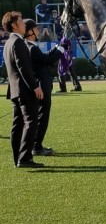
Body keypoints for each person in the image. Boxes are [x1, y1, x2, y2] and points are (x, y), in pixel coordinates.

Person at [2, 11, 44, 168]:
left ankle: (18, 158)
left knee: (18, 125)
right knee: (31, 122)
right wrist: (35, 86)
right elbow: (23, 68)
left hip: (14, 91)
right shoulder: (19, 42)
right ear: (14, 25)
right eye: (21, 21)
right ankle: (25, 158)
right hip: (24, 90)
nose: (24, 24)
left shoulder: (8, 42)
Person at [24, 19, 65, 156]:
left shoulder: (30, 47)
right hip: (42, 86)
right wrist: (62, 49)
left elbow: (44, 57)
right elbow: (48, 60)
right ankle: (37, 146)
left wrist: (56, 48)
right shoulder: (32, 48)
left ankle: (37, 144)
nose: (38, 31)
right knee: (42, 117)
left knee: (40, 116)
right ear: (30, 32)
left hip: (42, 85)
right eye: (36, 29)